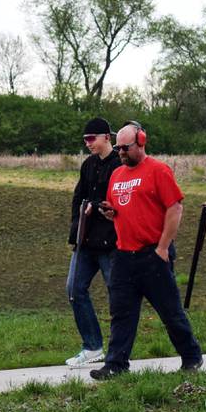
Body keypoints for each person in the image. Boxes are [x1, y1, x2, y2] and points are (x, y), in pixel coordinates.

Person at [89, 122, 203, 379]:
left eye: (125, 148)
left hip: (152, 255)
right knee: (121, 314)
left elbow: (175, 208)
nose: (120, 152)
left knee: (170, 312)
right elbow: (120, 209)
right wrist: (110, 213)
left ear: (141, 141)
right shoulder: (117, 175)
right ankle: (115, 365)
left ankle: (192, 357)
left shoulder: (158, 171)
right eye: (118, 148)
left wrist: (163, 248)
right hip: (123, 256)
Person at [65, 117, 121, 366]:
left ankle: (118, 350)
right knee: (74, 289)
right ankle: (92, 346)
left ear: (107, 137)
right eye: (85, 140)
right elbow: (78, 198)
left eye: (92, 139)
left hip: (111, 242)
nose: (88, 144)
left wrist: (96, 207)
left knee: (117, 295)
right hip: (86, 241)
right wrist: (77, 231)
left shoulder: (120, 164)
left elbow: (119, 201)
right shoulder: (87, 165)